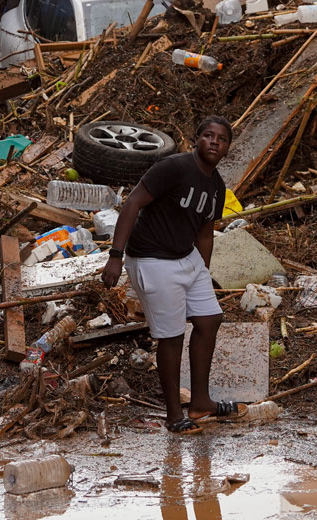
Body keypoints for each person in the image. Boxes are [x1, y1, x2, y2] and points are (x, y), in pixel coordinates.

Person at [101, 116, 246, 434]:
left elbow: (205, 232)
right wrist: (115, 255)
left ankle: (200, 403)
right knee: (171, 336)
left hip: (188, 257)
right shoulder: (174, 167)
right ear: (197, 139)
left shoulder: (217, 186)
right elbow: (133, 203)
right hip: (152, 259)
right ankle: (172, 415)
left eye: (221, 139)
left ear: (227, 149)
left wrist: (203, 272)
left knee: (209, 320)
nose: (214, 142)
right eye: (208, 135)